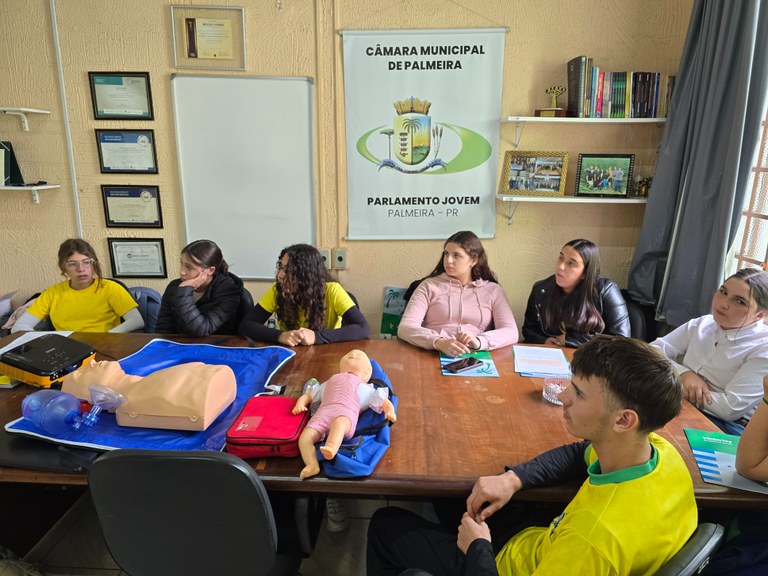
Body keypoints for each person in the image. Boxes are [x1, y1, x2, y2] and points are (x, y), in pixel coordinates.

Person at [367, 336, 697, 576]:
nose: (563, 397)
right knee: (457, 496)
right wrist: (514, 479)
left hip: (503, 564)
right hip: (541, 541)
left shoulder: (591, 541)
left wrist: (478, 548)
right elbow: (580, 452)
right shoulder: (661, 452)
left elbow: (584, 543)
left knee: (385, 525)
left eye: (578, 393)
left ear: (624, 420)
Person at [651, 268, 768, 436]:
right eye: (723, 292)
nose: (723, 304)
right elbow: (653, 350)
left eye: (740, 301)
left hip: (728, 425)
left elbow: (729, 408)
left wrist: (679, 384)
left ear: (759, 315)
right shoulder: (703, 323)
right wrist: (684, 374)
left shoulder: (763, 348)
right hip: (680, 401)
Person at [397, 231, 518, 357]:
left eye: (457, 255)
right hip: (433, 353)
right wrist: (438, 342)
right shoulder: (428, 286)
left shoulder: (493, 290)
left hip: (476, 356)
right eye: (446, 254)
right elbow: (405, 327)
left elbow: (511, 332)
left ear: (474, 260)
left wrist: (480, 341)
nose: (448, 260)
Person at [239, 243, 370, 346]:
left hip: (327, 352)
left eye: (287, 270)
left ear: (306, 275)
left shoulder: (332, 291)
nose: (280, 275)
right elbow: (246, 325)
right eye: (281, 268)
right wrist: (280, 336)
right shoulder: (278, 290)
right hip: (293, 354)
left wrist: (317, 337)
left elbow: (363, 328)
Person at [292, 349, 395, 479]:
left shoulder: (364, 386)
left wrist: (390, 411)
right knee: (305, 438)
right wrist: (300, 403)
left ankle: (331, 447)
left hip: (345, 417)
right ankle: (312, 464)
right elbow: (310, 395)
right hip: (321, 416)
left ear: (367, 371)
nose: (352, 354)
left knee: (339, 424)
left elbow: (383, 400)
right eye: (349, 354)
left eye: (358, 356)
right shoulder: (330, 381)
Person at [11, 238, 142, 333]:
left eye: (86, 262)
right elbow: (19, 326)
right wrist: (46, 341)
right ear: (63, 267)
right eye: (72, 264)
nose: (81, 269)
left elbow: (136, 320)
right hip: (68, 349)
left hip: (106, 346)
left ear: (94, 264)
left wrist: (108, 336)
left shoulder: (110, 287)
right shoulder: (52, 293)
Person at [522, 238, 629, 348]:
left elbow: (622, 341)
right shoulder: (541, 289)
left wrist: (570, 340)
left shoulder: (606, 290)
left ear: (586, 272)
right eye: (561, 258)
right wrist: (544, 341)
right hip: (551, 354)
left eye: (570, 263)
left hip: (591, 356)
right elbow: (528, 329)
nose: (560, 266)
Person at [156, 239, 243, 336]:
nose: (182, 272)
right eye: (181, 264)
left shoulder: (228, 290)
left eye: (189, 267)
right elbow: (163, 328)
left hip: (214, 343)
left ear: (210, 270)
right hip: (179, 343)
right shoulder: (175, 287)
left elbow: (201, 331)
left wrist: (184, 292)